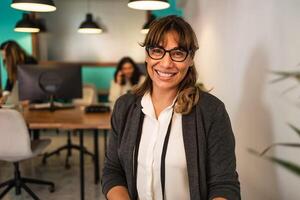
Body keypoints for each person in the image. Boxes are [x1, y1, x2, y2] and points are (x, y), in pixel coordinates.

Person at [102, 15, 240, 200]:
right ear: (147, 55)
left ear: (190, 59)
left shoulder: (211, 112)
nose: (166, 63)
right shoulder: (124, 107)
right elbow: (113, 170)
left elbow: (224, 185)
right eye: (158, 50)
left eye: (177, 53)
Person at [0, 40, 37, 105]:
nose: (4, 59)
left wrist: (30, 101)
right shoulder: (14, 67)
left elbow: (36, 87)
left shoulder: (30, 62)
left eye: (5, 57)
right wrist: (5, 96)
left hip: (34, 102)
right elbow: (10, 81)